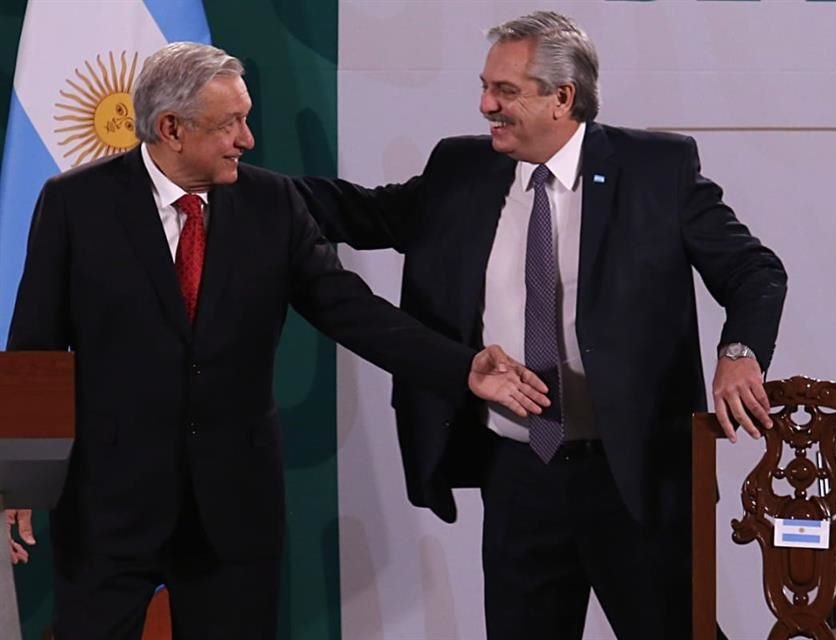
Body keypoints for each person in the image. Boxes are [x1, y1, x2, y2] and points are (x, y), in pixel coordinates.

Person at [3, 42, 550, 639]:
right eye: (229, 124)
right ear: (170, 129)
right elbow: (36, 347)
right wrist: (23, 479)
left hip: (234, 507)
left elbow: (350, 310)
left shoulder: (272, 202)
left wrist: (463, 366)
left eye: (246, 117)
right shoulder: (76, 203)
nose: (247, 139)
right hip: (110, 501)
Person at [296, 10, 787, 640]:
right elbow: (361, 214)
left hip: (635, 472)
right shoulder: (461, 170)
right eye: (484, 86)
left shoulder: (656, 171)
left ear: (563, 97)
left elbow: (754, 271)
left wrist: (741, 350)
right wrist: (235, 181)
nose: (484, 105)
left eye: (505, 92)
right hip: (519, 471)